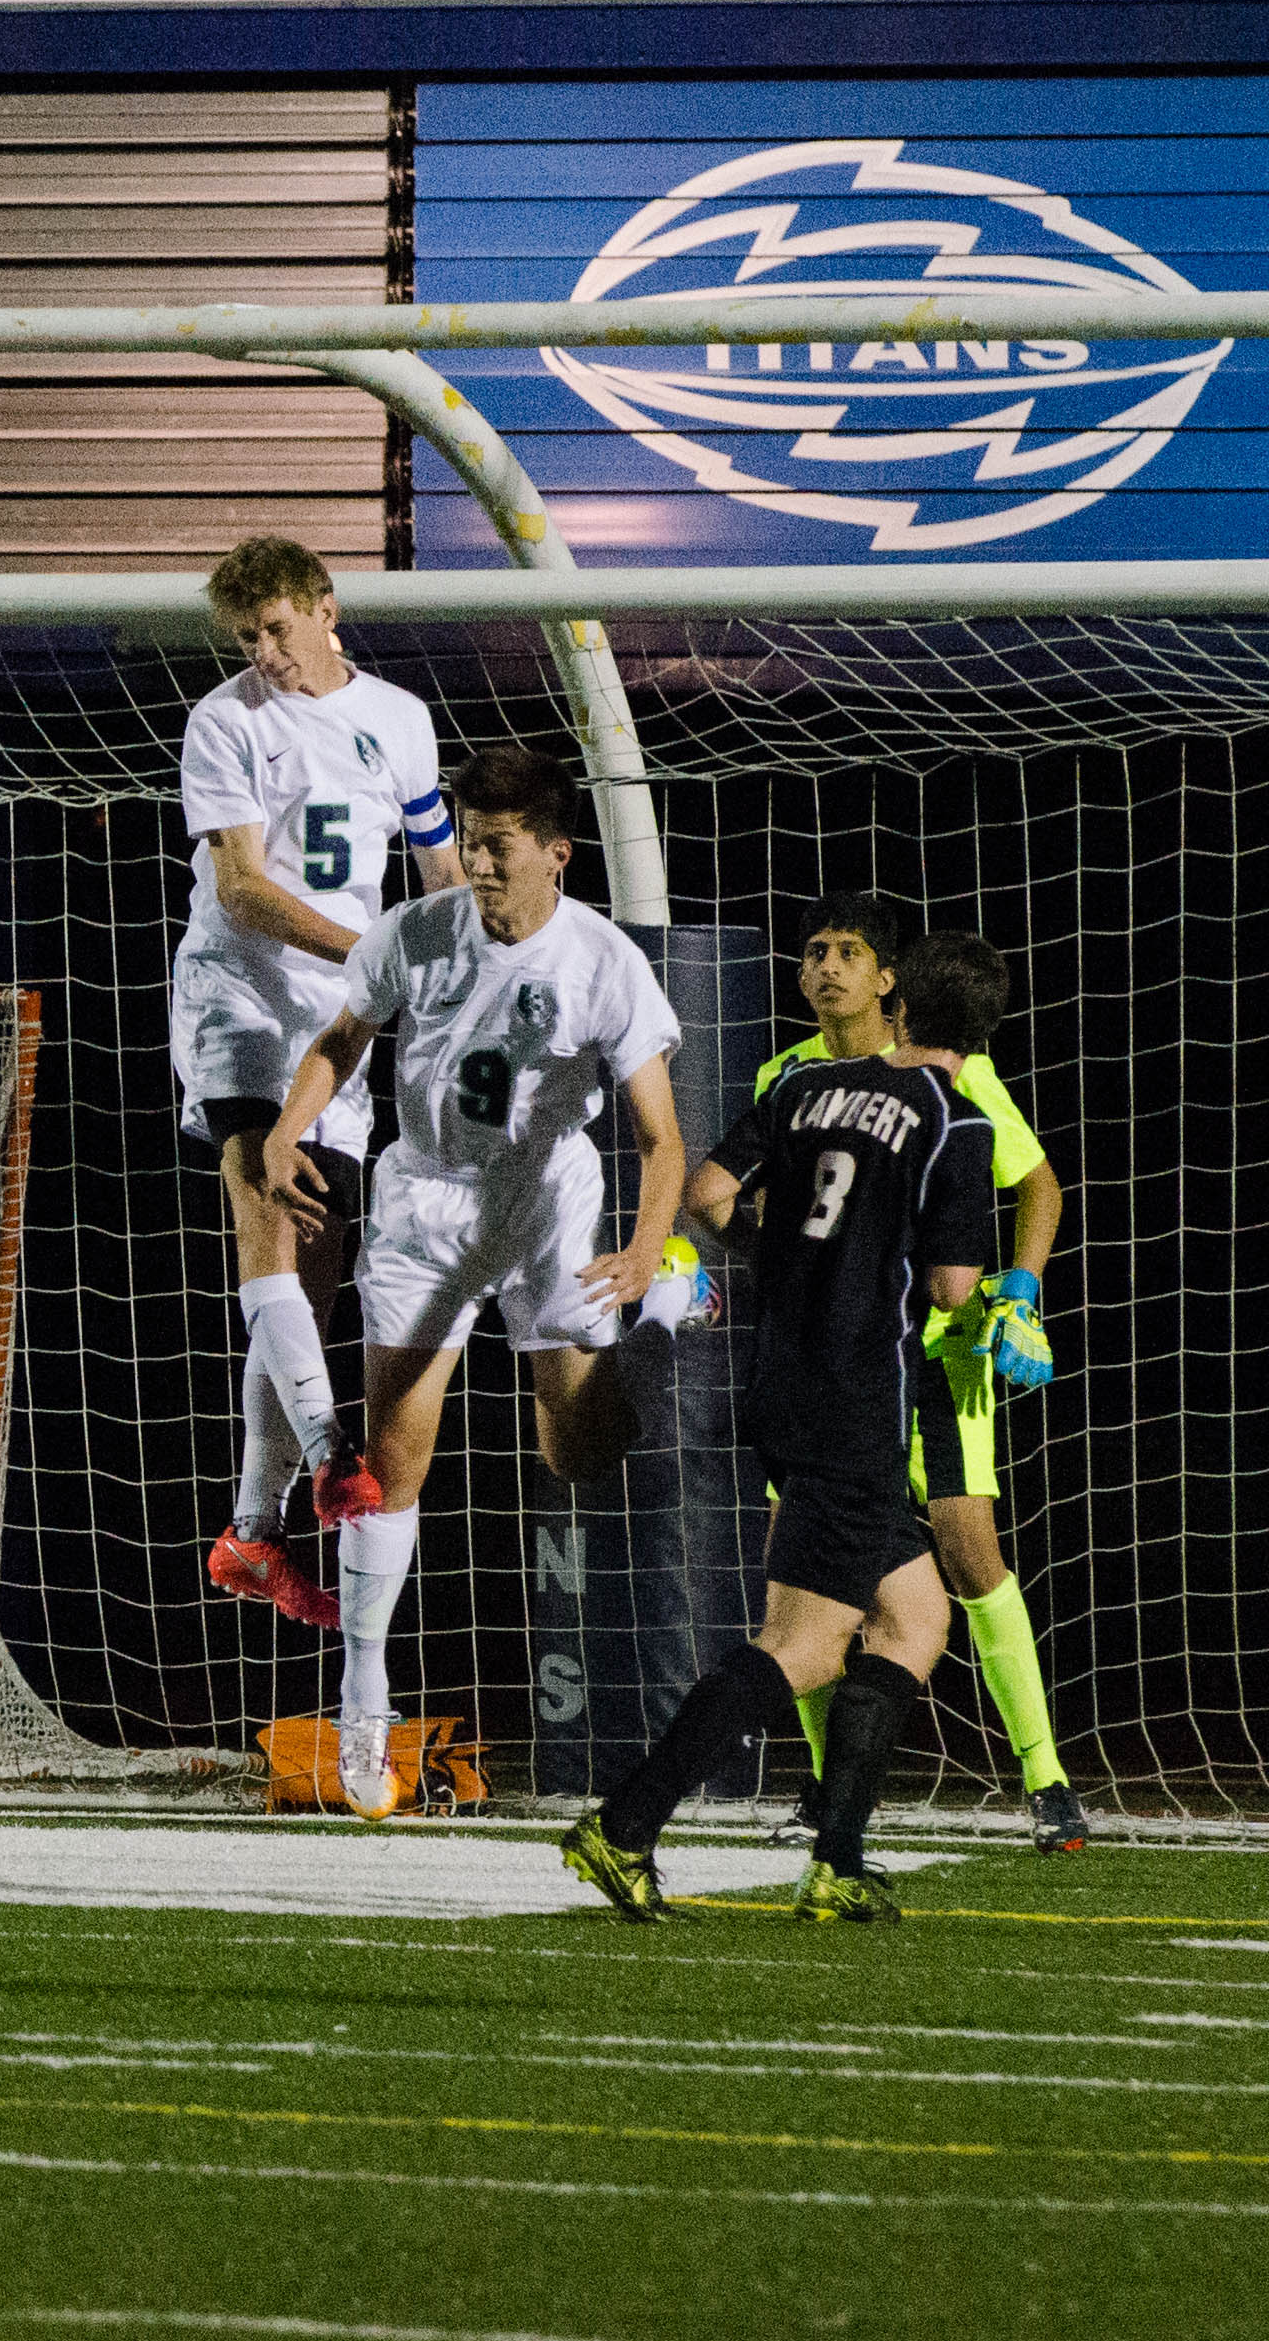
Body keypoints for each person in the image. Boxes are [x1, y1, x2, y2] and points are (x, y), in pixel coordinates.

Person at [264, 747, 684, 1825]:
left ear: (555, 852)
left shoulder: (602, 959)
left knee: (578, 1451)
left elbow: (661, 1132)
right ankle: (365, 1705)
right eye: (466, 836)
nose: (476, 861)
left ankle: (669, 1313)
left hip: (547, 1203)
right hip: (427, 1198)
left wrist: (644, 1249)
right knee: (389, 1462)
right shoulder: (414, 934)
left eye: (496, 844)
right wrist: (284, 1127)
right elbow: (340, 1037)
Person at [565, 935, 999, 1925]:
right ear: (981, 1029)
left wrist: (787, 1254)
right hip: (855, 1400)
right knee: (801, 1647)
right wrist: (995, 1313)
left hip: (779, 1385)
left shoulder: (807, 1085)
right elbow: (949, 1285)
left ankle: (835, 1859)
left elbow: (710, 1193)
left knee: (914, 1619)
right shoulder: (954, 1120)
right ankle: (625, 1823)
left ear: (901, 1002)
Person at [729, 903, 1082, 1854]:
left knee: (971, 1553)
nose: (829, 968)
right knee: (802, 1583)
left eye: (850, 952)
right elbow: (755, 1205)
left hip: (934, 1355)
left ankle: (1045, 1778)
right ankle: (821, 1792)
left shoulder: (949, 1071)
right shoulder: (787, 1075)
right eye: (814, 952)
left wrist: (1021, 1292)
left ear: (892, 982)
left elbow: (1038, 1182)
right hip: (834, 1367)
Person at [170, 537, 461, 1635]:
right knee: (266, 1221)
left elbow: (434, 870)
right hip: (240, 1004)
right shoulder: (225, 720)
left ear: (326, 608)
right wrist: (369, 953)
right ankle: (334, 1454)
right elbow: (241, 887)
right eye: (249, 637)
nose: (266, 653)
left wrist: (467, 960)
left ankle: (251, 1529)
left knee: (311, 1280)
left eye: (279, 629)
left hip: (340, 1023)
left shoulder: (399, 717)